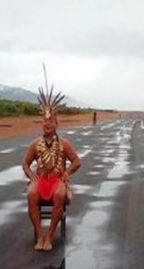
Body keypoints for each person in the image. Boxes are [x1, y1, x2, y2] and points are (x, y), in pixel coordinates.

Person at [23, 87, 81, 252]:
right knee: (31, 193)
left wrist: (67, 173)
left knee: (60, 194)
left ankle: (49, 237)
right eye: (44, 121)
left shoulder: (64, 143)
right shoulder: (35, 144)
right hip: (41, 179)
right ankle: (40, 235)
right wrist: (31, 175)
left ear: (56, 124)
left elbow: (77, 161)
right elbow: (25, 163)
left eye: (50, 121)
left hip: (57, 181)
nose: (47, 123)